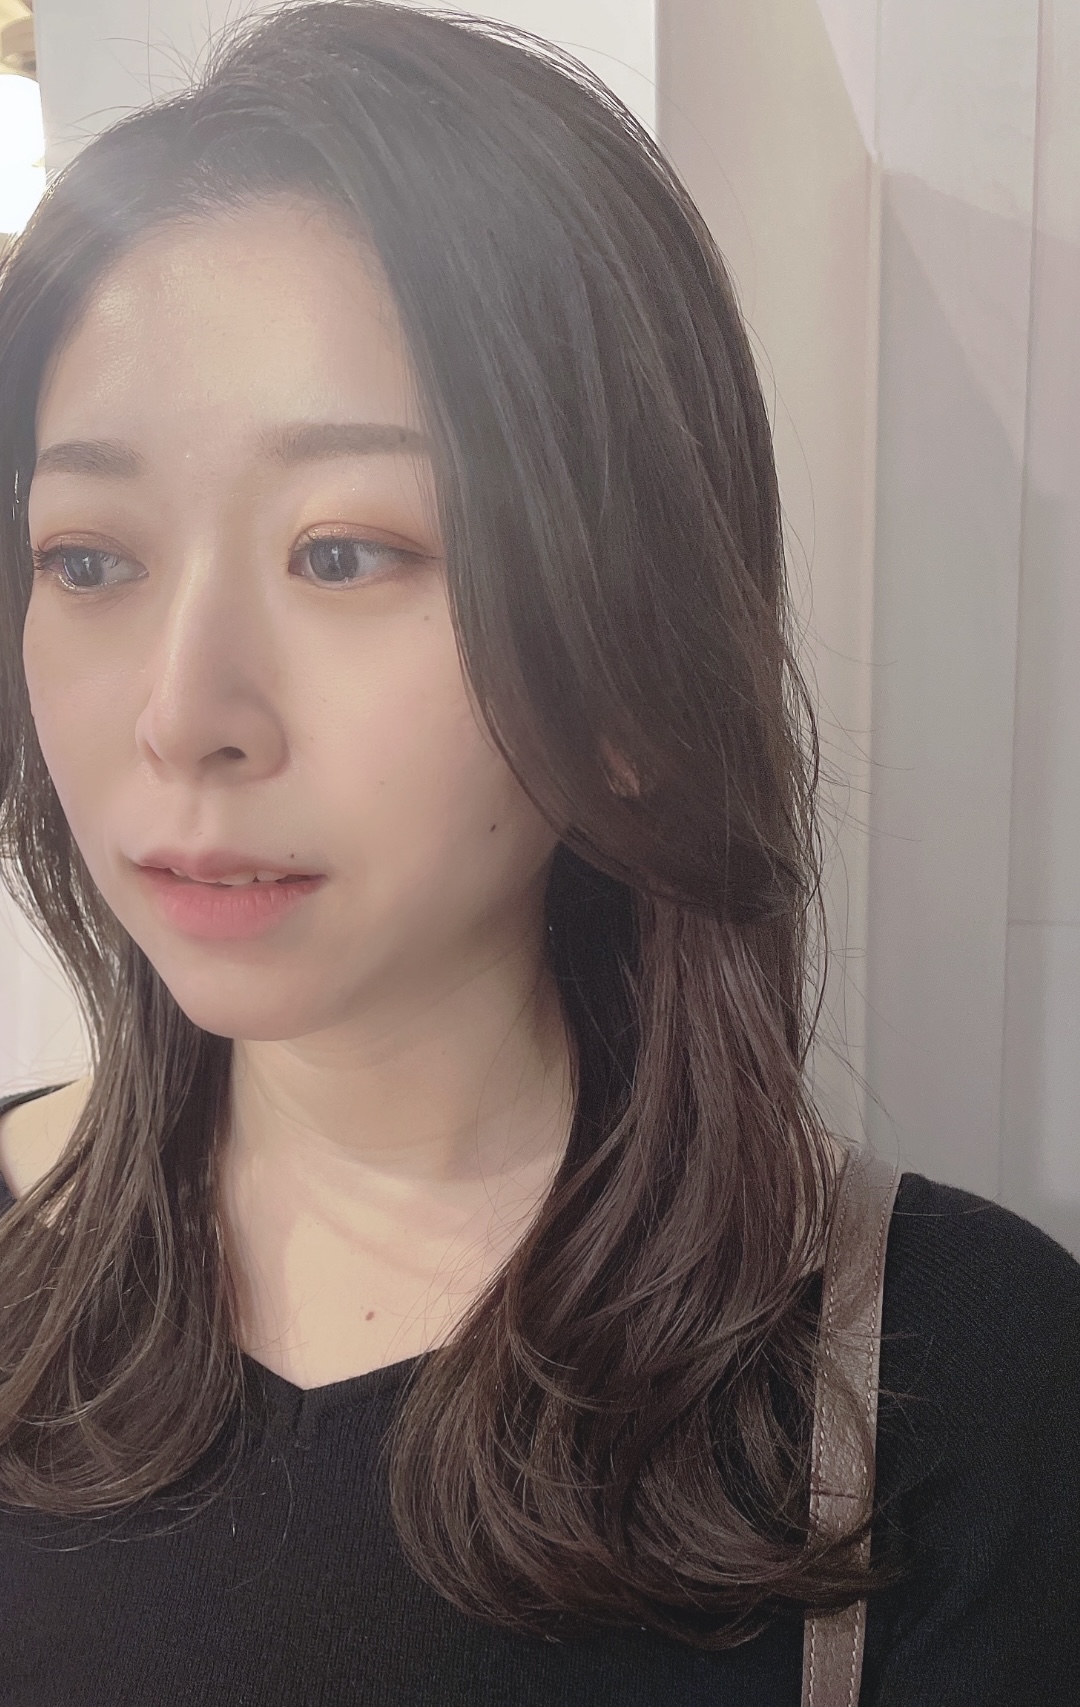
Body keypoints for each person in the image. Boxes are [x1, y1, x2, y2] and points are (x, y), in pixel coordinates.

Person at [0, 4, 1076, 1703]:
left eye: (343, 552)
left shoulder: (963, 1391)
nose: (181, 714)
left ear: (629, 650)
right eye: (88, 558)